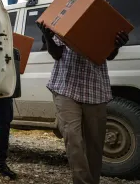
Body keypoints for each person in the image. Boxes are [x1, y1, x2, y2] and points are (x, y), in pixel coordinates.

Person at [37, 20, 129, 184]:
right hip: (66, 88)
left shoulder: (101, 22)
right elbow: (57, 54)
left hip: (95, 89)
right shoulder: (64, 19)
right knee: (74, 140)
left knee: (94, 146)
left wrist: (117, 45)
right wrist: (47, 37)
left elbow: (110, 55)